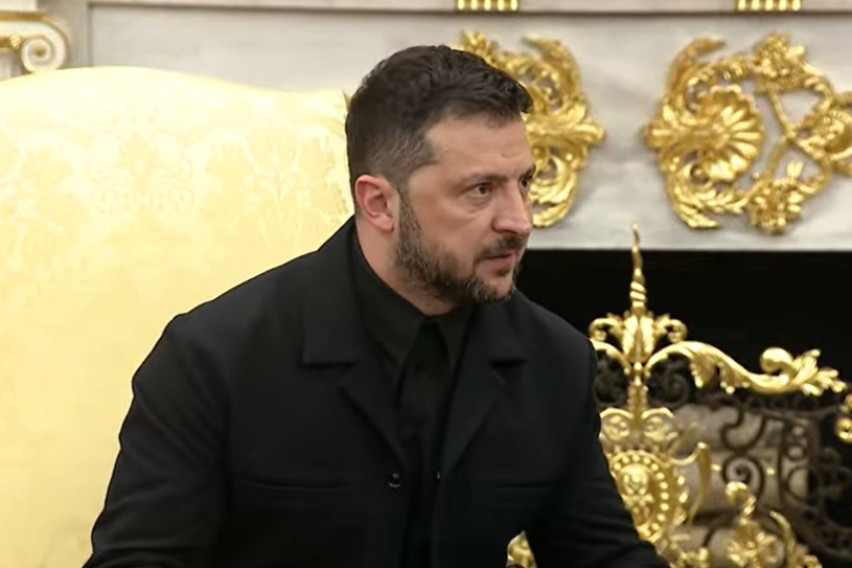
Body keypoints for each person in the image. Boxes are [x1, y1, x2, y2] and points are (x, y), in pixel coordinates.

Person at [83, 45, 667, 568]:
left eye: (524, 183)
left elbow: (604, 555)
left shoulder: (553, 361)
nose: (519, 220)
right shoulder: (213, 359)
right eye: (481, 190)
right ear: (379, 203)